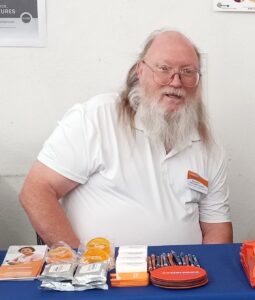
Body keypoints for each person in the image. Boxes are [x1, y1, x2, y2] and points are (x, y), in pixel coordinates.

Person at [20, 29, 233, 248]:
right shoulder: (97, 117)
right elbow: (36, 191)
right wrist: (78, 262)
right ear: (140, 71)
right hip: (100, 276)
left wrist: (208, 274)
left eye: (187, 72)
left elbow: (216, 227)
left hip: (181, 275)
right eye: (164, 69)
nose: (176, 82)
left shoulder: (208, 145)